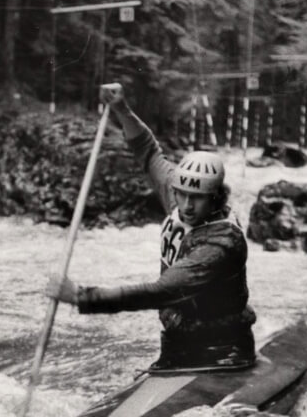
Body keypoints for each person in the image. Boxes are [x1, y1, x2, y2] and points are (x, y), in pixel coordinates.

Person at [47, 83, 256, 371]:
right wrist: (122, 108)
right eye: (181, 194)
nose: (185, 205)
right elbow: (147, 150)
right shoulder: (181, 192)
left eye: (197, 199)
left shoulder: (220, 244)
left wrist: (82, 297)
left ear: (216, 197)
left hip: (224, 352)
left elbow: (161, 292)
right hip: (178, 345)